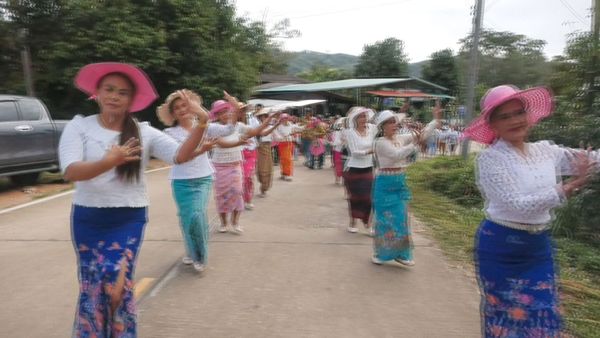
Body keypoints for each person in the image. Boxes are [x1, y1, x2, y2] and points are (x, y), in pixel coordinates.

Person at [59, 62, 210, 336]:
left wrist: (203, 123)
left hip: (128, 218)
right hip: (89, 219)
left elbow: (181, 156)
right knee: (93, 284)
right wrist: (109, 161)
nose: (115, 96)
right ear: (98, 93)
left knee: (118, 285)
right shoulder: (79, 127)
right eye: (109, 89)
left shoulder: (145, 131)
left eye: (123, 92)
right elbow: (70, 171)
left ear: (131, 99)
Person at [463, 85, 599, 337]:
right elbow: (518, 205)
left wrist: (589, 166)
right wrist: (568, 187)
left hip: (538, 248)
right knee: (507, 317)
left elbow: (591, 160)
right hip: (501, 247)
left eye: (519, 113)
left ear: (529, 115)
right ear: (492, 125)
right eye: (504, 116)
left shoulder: (546, 151)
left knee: (543, 314)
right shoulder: (490, 160)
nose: (515, 120)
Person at [157, 89, 238, 273]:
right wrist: (202, 149)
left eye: (184, 105)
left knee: (197, 215)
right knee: (186, 219)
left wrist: (234, 106)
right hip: (180, 181)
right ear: (172, 113)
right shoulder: (169, 132)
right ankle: (190, 250)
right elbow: (178, 157)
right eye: (176, 107)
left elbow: (229, 129)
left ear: (193, 106)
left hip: (202, 178)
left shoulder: (205, 126)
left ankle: (200, 255)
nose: (181, 109)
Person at [371, 109, 440, 266]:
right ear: (382, 126)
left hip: (399, 182)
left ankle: (402, 253)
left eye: (395, 121)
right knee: (386, 221)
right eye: (390, 122)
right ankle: (381, 254)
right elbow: (396, 155)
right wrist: (415, 145)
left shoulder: (400, 138)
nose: (394, 125)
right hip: (384, 184)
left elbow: (421, 134)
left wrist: (434, 121)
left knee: (401, 220)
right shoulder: (380, 142)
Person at [210, 95, 277, 233]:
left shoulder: (238, 126)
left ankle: (235, 222)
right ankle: (224, 223)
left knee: (237, 192)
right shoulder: (213, 128)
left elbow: (255, 132)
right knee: (221, 195)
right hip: (219, 166)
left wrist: (269, 120)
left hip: (235, 165)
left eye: (227, 111)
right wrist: (239, 143)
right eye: (221, 112)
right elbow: (221, 144)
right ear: (216, 115)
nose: (225, 114)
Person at [342, 107, 377, 233]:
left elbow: (385, 125)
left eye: (365, 116)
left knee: (368, 198)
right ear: (355, 119)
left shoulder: (372, 129)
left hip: (368, 168)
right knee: (354, 197)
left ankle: (367, 223)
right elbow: (355, 152)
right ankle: (353, 221)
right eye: (361, 117)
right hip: (353, 169)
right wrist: (371, 151)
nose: (364, 119)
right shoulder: (350, 132)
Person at [255, 107, 281, 197]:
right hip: (259, 148)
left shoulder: (270, 126)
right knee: (261, 169)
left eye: (265, 116)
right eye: (262, 117)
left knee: (267, 169)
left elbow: (278, 137)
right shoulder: (258, 127)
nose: (264, 118)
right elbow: (263, 133)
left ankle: (264, 189)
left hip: (267, 148)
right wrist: (275, 126)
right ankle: (263, 187)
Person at [273, 113, 304, 181]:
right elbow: (275, 133)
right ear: (281, 119)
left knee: (288, 159)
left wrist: (307, 127)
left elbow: (298, 128)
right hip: (283, 144)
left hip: (290, 143)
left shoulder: (290, 125)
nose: (285, 120)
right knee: (285, 159)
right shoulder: (278, 126)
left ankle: (286, 174)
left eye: (286, 118)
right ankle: (285, 174)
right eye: (284, 118)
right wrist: (280, 138)